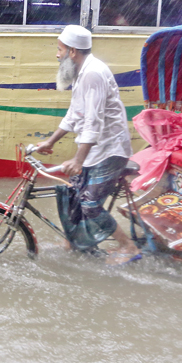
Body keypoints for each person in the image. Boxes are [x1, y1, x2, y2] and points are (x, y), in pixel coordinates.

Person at [34, 25, 139, 265]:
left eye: (59, 50)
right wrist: (50, 141)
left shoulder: (93, 73)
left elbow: (93, 121)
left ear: (72, 51)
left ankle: (128, 246)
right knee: (71, 195)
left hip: (110, 151)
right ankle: (72, 242)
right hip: (95, 149)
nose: (57, 55)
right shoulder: (82, 73)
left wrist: (78, 160)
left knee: (90, 203)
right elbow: (74, 114)